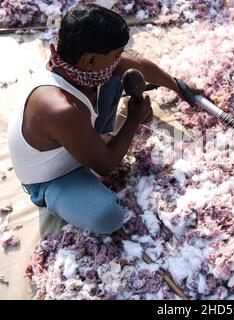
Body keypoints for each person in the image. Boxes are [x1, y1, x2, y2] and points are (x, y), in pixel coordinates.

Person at [7, 3, 202, 235]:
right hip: (52, 177)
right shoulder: (61, 109)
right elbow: (106, 165)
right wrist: (133, 118)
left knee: (121, 73)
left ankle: (95, 139)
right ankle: (52, 196)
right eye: (116, 54)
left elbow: (138, 65)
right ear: (90, 60)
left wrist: (177, 86)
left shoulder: (77, 65)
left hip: (79, 132)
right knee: (107, 216)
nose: (120, 58)